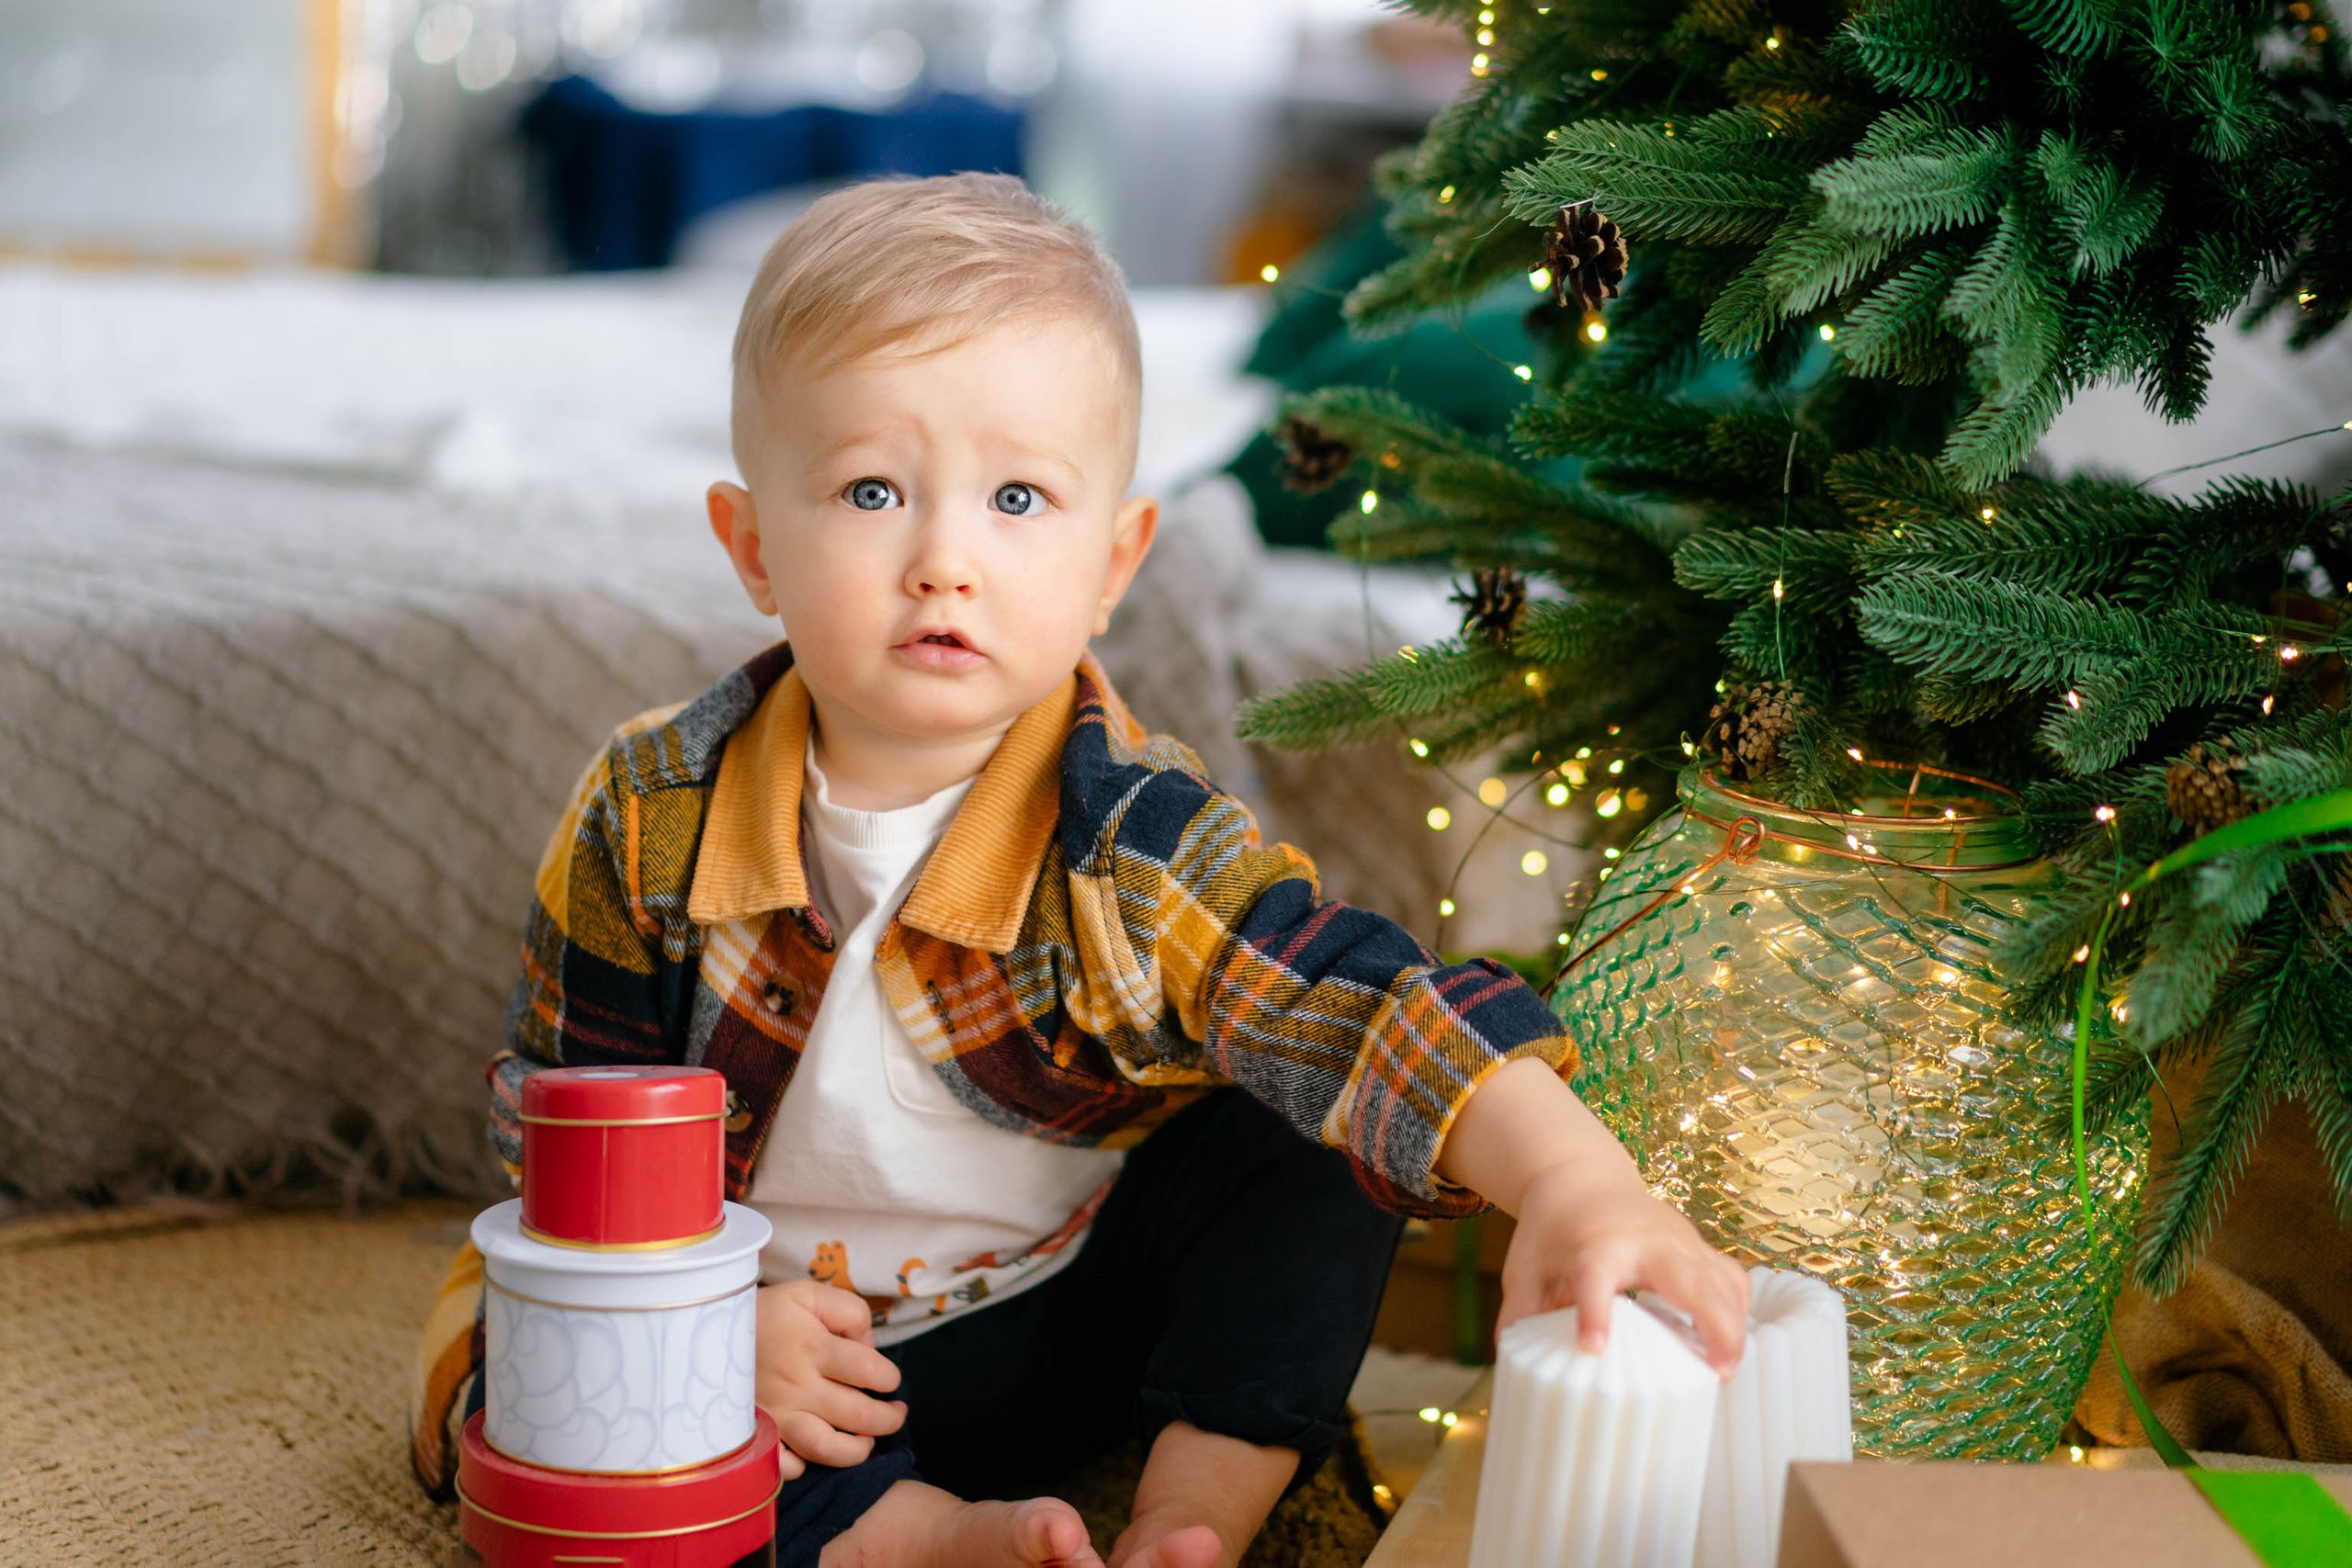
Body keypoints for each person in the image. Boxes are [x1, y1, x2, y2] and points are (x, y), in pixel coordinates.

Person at [409, 173, 1748, 1568]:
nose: (945, 560)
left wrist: (1583, 1186)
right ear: (753, 547)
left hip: (1056, 1319)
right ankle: (918, 1540)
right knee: (537, 1390)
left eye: (1017, 498)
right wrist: (710, 1324)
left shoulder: (1130, 836)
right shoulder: (654, 809)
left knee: (1312, 1132)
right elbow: (568, 1133)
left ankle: (1189, 1514)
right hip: (776, 1356)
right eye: (872, 490)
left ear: (1114, 563)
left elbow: (1363, 1008)